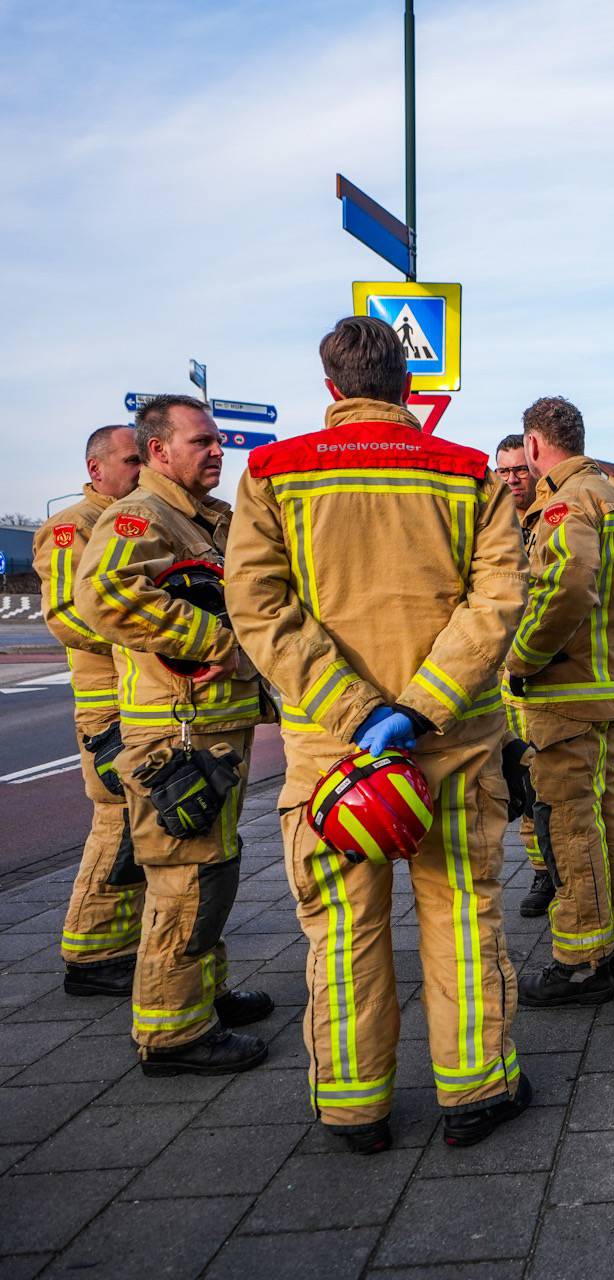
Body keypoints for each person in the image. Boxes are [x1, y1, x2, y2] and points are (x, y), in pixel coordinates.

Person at [225, 316, 529, 1152]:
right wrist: (421, 702)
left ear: (331, 389)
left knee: (345, 926)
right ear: (409, 384)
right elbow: (498, 601)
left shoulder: (274, 474)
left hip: (333, 757)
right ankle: (474, 1091)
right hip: (454, 744)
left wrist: (354, 711)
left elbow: (259, 607)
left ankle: (356, 1109)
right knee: (463, 913)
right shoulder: (468, 475)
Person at [73, 396, 274, 1075]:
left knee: (211, 865)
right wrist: (216, 640)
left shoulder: (204, 518)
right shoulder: (143, 515)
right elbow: (104, 593)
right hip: (178, 732)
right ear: (157, 451)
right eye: (200, 442)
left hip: (214, 724)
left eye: (218, 442)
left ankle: (203, 996)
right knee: (186, 877)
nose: (217, 451)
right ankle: (174, 1035)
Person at [506, 396, 614, 1006]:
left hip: (564, 694)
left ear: (536, 446)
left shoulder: (564, 504)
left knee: (567, 823)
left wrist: (521, 658)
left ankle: (580, 962)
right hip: (611, 692)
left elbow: (567, 585)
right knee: (606, 809)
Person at [37, 425, 144, 996]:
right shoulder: (70, 528)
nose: (138, 470)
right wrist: (152, 639)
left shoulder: (140, 517)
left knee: (145, 827)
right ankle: (93, 952)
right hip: (110, 708)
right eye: (130, 461)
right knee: (118, 824)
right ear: (95, 467)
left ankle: (122, 944)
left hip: (143, 700)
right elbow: (66, 616)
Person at [494, 433, 551, 919]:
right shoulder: (490, 524)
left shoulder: (555, 520)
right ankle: (541, 875)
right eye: (504, 471)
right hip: (500, 684)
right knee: (520, 785)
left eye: (519, 469)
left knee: (552, 785)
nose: (513, 478)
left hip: (544, 678)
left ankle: (559, 872)